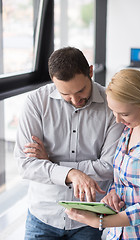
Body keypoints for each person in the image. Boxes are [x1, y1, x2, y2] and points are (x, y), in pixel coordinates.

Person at [14, 47, 124, 239]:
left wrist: (51, 164)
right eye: (65, 94)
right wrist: (72, 174)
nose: (75, 100)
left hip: (90, 219)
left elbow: (110, 166)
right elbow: (25, 165)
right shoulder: (36, 102)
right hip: (43, 217)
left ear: (90, 72)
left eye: (80, 90)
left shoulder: (112, 105)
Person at [65, 69, 140, 240]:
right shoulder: (128, 131)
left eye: (124, 114)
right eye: (113, 112)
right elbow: (122, 180)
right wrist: (113, 193)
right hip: (122, 234)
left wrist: (99, 222)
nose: (117, 120)